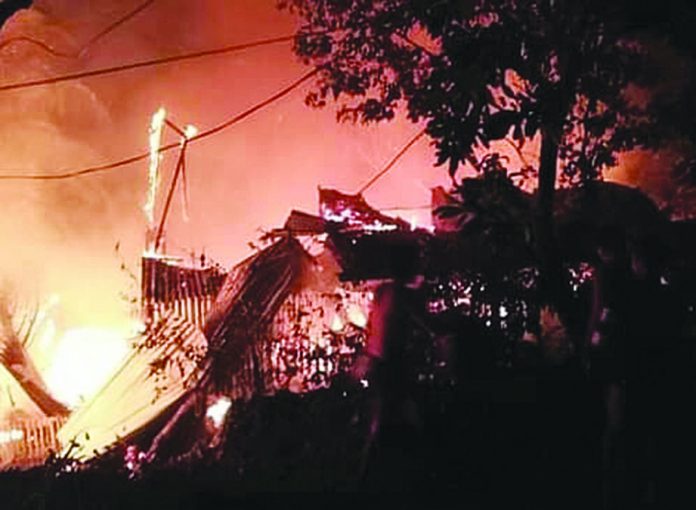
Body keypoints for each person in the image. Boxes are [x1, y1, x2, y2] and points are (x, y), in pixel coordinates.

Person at [350, 242, 427, 490]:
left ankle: (376, 475)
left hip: (379, 363)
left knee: (391, 415)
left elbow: (374, 328)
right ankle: (368, 478)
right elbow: (427, 324)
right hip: (392, 364)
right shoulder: (403, 295)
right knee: (387, 418)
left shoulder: (382, 292)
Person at [586, 226, 632, 509]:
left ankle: (609, 473)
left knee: (611, 416)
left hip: (611, 352)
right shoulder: (630, 275)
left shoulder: (606, 274)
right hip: (623, 352)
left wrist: (593, 339)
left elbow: (601, 309)